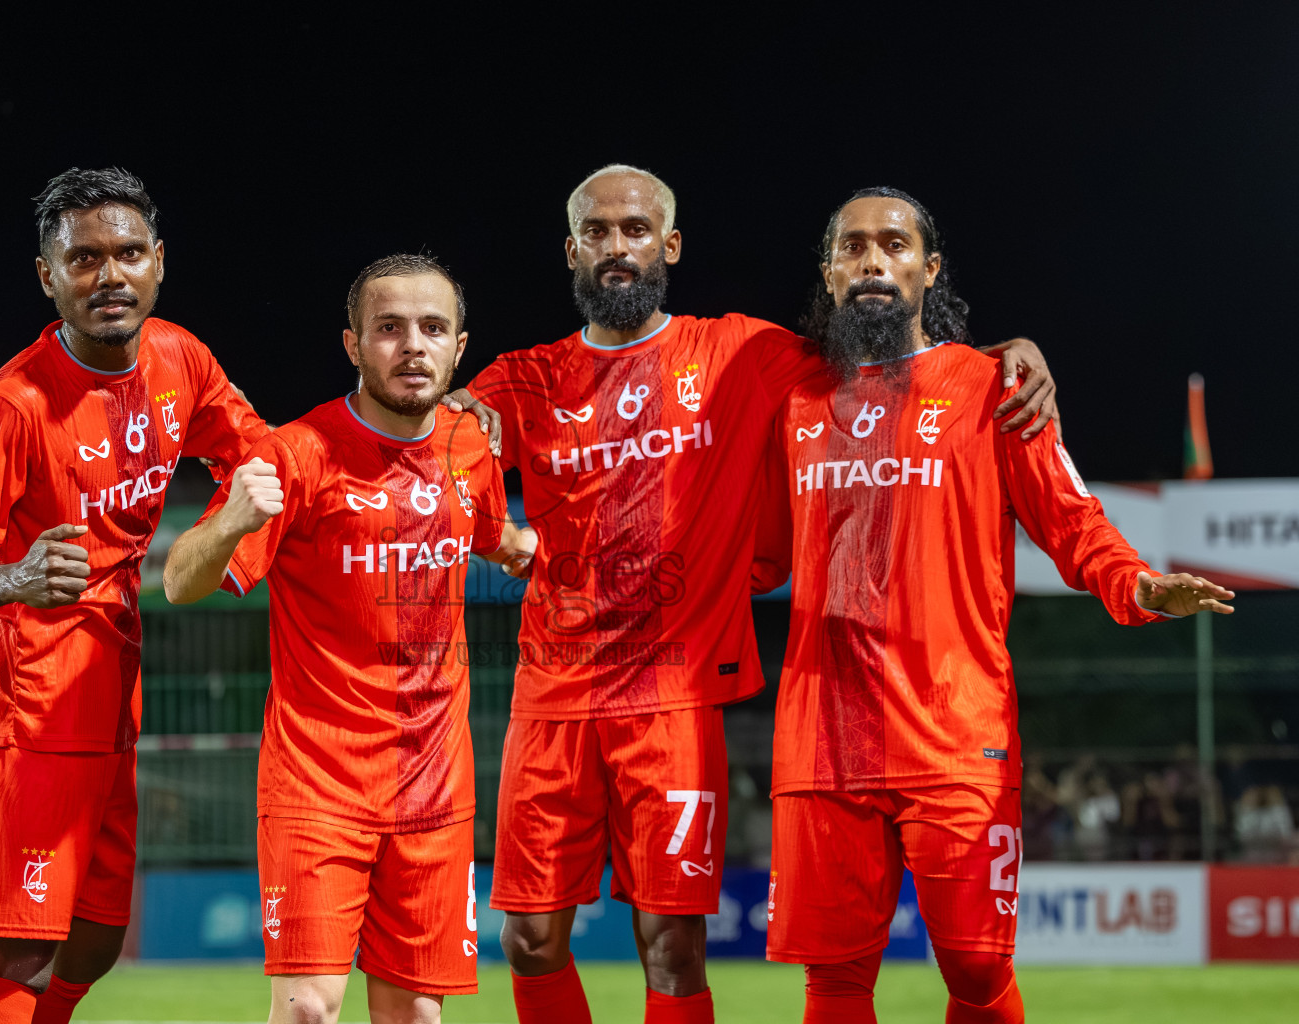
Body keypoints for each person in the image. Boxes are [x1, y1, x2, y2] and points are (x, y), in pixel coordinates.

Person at [444, 165, 1060, 1024]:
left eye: (634, 230)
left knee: (670, 947)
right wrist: (491, 524)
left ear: (670, 245)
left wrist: (1003, 356)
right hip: (553, 698)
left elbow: (893, 350)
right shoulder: (529, 376)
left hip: (675, 700)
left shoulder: (739, 351)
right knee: (529, 939)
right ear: (573, 250)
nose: (617, 247)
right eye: (598, 232)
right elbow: (444, 455)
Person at [750, 187, 1235, 1023]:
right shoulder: (789, 403)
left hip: (955, 734)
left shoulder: (992, 389)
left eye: (895, 245)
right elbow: (749, 556)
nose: (874, 260)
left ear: (928, 269)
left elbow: (1076, 522)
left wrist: (1140, 585)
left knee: (976, 970)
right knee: (832, 981)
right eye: (854, 247)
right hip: (823, 741)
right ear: (828, 273)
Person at [0, 167, 270, 1024]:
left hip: (111, 683)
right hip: (24, 702)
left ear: (159, 262)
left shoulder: (183, 358)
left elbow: (260, 453)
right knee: (21, 942)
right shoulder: (10, 408)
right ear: (48, 276)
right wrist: (16, 579)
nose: (110, 275)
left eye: (128, 253)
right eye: (84, 259)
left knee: (98, 935)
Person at [163, 254, 535, 1024]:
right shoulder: (295, 454)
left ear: (459, 348)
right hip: (317, 783)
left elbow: (499, 538)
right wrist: (232, 517)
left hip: (435, 788)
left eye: (433, 329)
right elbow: (178, 581)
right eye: (389, 329)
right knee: (307, 1009)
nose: (412, 346)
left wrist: (560, 557)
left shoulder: (472, 446)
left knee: (419, 1017)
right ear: (353, 344)